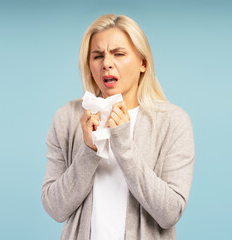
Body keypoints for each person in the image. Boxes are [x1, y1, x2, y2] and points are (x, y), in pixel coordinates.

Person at [41, 14, 195, 240]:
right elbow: (55, 208)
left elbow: (170, 212)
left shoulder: (173, 122)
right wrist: (89, 150)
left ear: (143, 62)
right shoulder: (67, 118)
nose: (107, 63)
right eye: (97, 55)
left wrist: (123, 144)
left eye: (119, 53)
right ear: (89, 64)